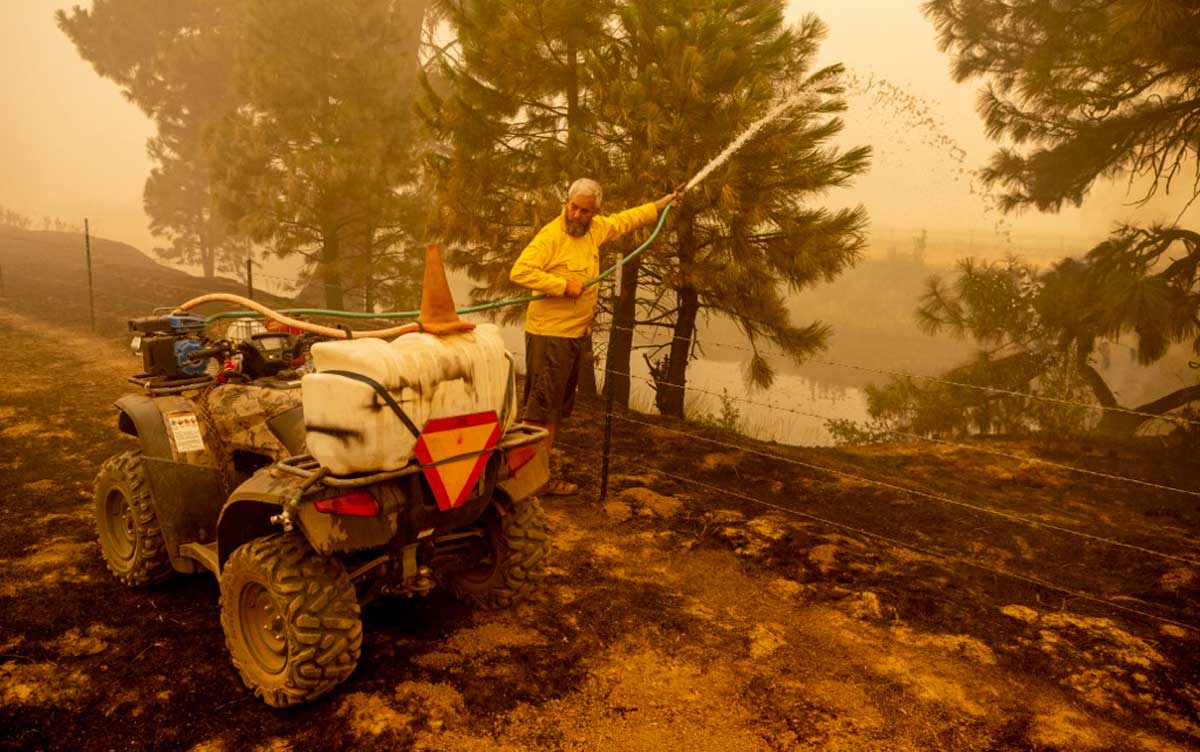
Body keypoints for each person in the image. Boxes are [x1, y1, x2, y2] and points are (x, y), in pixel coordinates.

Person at [510, 178, 677, 495]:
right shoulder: (551, 236)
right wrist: (562, 285)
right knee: (539, 413)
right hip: (550, 336)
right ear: (566, 202)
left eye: (584, 211)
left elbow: (624, 221)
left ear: (594, 211)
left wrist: (660, 205)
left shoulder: (595, 229)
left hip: (573, 335)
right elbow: (519, 271)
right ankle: (525, 483)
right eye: (573, 207)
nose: (576, 215)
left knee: (556, 410)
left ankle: (540, 477)